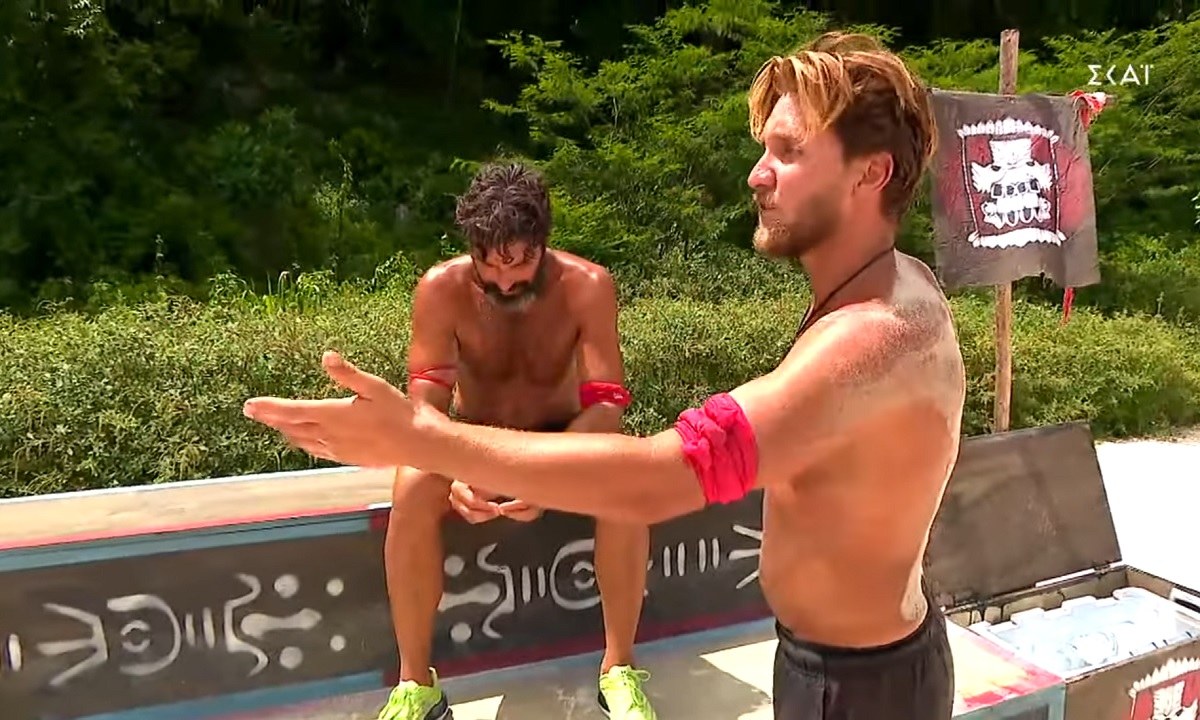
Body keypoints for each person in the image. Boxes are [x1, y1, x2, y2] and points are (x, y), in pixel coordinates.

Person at [245, 32, 966, 720]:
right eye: (764, 149)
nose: (756, 173)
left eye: (790, 151)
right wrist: (433, 445)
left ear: (871, 173)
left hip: (857, 686)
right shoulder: (899, 282)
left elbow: (659, 478)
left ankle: (617, 665)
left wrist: (417, 438)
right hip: (856, 661)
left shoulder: (868, 340)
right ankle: (415, 678)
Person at [371, 162, 656, 720]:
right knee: (412, 485)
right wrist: (456, 468)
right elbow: (424, 407)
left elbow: (607, 404)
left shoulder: (587, 286)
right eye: (489, 264)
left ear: (543, 243)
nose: (504, 281)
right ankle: (415, 684)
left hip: (564, 443)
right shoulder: (440, 289)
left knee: (627, 480)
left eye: (521, 262)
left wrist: (546, 475)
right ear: (471, 248)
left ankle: (618, 668)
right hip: (472, 443)